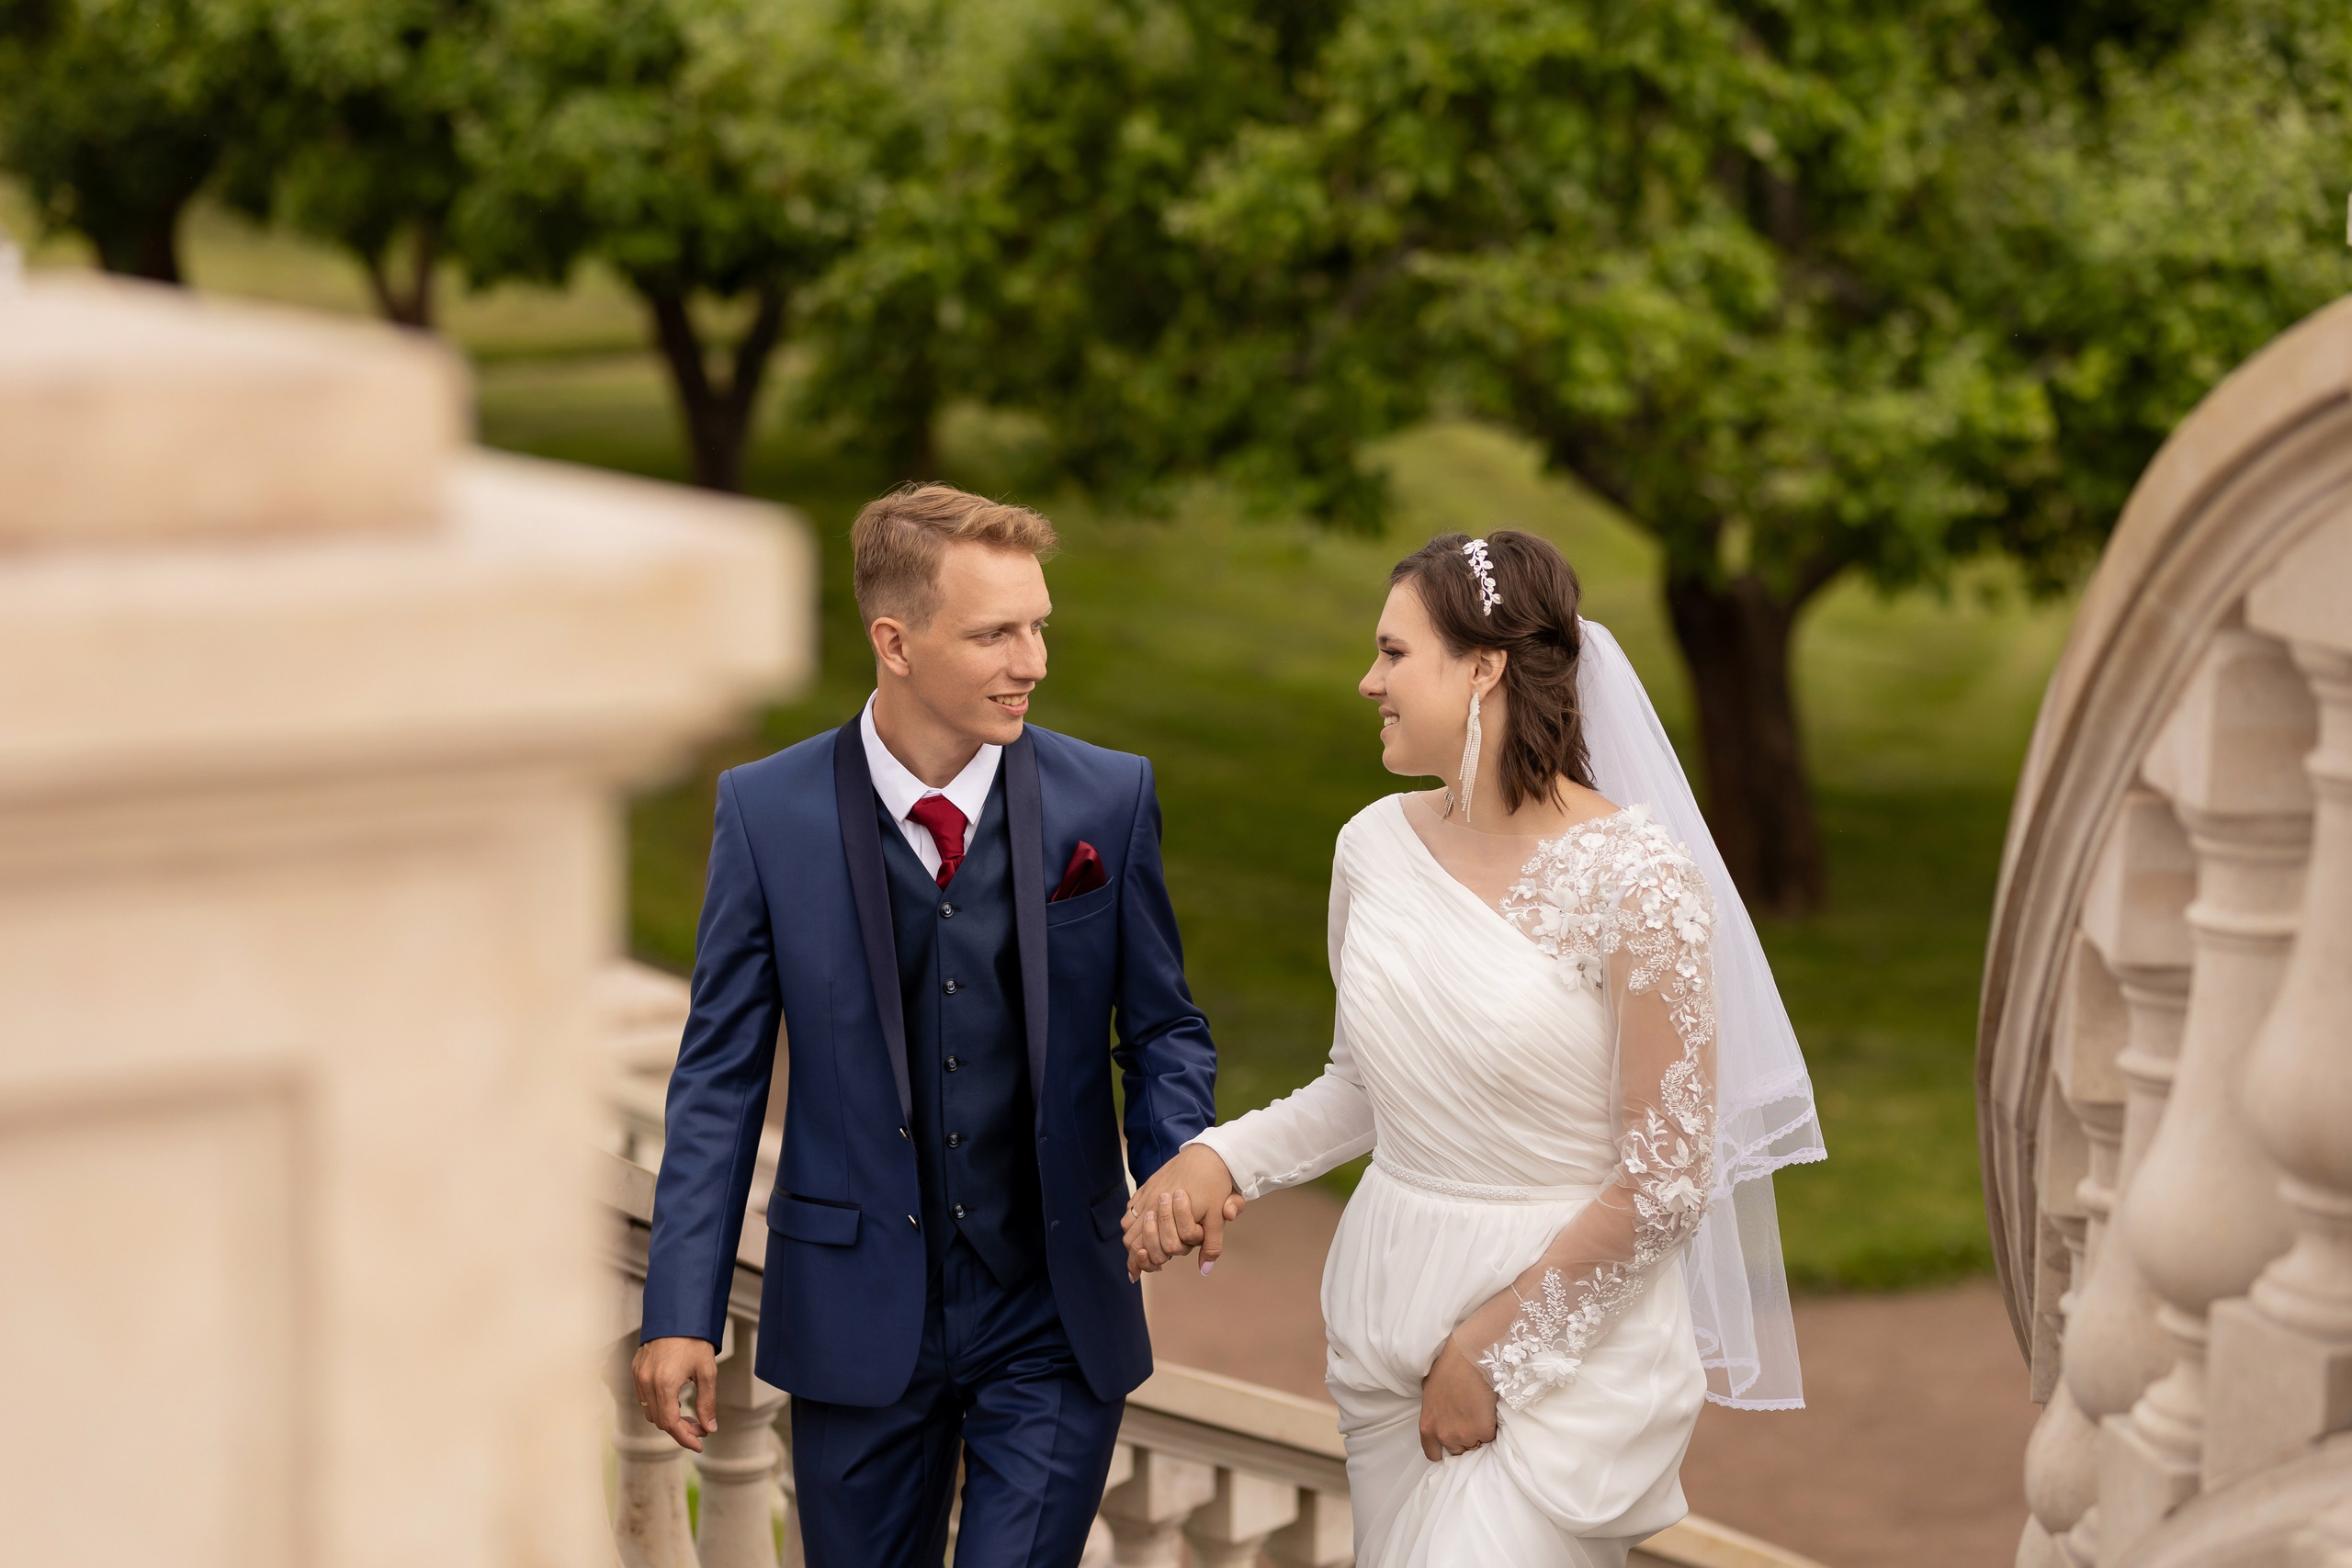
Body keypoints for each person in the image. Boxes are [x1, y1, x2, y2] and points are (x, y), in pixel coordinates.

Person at [1125, 531, 1825, 1567]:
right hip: (1387, 1320)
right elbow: (1364, 1086)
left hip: (1563, 1357)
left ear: (1484, 666)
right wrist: (1225, 1157)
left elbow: (1669, 1181)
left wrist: (1489, 1351)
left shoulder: (1638, 881)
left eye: (1393, 653)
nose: (1368, 682)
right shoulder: (1370, 848)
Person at [631, 483, 1221, 1568]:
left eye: (1039, 624)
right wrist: (681, 1309)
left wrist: (1181, 1156)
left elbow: (1165, 1027)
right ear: (893, 642)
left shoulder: (1107, 799)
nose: (1033, 661)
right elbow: (718, 1079)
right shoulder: (769, 814)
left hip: (1051, 1313)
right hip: (855, 1315)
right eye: (996, 633)